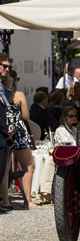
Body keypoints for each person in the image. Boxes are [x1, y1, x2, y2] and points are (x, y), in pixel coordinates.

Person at [4, 71, 41, 209]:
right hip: (18, 132)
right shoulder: (18, 95)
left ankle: (6, 200)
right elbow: (26, 115)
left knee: (5, 168)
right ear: (14, 81)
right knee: (28, 166)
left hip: (4, 130)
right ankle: (28, 201)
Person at [0, 53, 14, 213]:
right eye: (4, 66)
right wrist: (5, 127)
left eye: (8, 67)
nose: (7, 69)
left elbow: (6, 105)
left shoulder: (2, 85)